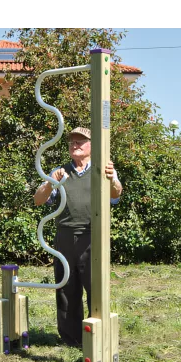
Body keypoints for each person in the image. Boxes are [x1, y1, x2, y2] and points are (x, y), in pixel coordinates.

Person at [34, 126, 123, 346]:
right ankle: (71, 338)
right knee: (66, 287)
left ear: (92, 146)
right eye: (72, 142)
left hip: (92, 236)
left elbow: (116, 194)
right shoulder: (60, 171)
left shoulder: (103, 169)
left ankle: (97, 336)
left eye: (80, 141)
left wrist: (112, 180)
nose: (75, 145)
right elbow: (38, 200)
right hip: (64, 237)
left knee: (95, 287)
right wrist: (49, 182)